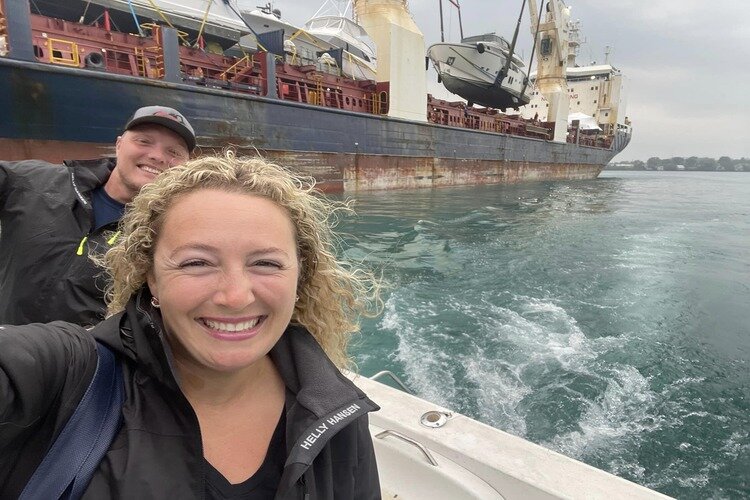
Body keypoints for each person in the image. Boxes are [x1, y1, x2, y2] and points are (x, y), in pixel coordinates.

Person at [0, 153, 383, 498]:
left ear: (300, 276)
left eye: (266, 263)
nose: (235, 297)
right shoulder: (67, 378)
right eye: (196, 263)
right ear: (150, 278)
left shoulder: (337, 413)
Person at [0, 105, 196, 326]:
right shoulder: (34, 181)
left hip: (85, 358)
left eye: (174, 152)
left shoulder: (174, 234)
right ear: (119, 144)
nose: (157, 156)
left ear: (186, 166)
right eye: (144, 141)